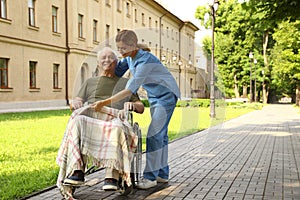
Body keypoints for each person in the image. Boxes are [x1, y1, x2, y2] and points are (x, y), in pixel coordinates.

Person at [91, 30, 180, 189]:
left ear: (133, 46)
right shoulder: (130, 57)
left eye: (123, 48)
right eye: (118, 48)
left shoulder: (145, 62)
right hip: (155, 97)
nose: (120, 52)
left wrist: (103, 103)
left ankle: (150, 178)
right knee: (162, 136)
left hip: (166, 96)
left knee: (154, 135)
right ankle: (162, 174)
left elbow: (129, 90)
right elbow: (117, 70)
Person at [56, 47, 144, 192]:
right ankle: (77, 171)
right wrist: (75, 103)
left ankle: (112, 176)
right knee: (76, 121)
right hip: (92, 117)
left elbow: (141, 107)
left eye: (110, 57)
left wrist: (133, 105)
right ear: (98, 63)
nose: (107, 60)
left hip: (114, 117)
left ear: (116, 63)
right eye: (103, 58)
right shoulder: (90, 82)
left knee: (117, 127)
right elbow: (76, 101)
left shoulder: (125, 83)